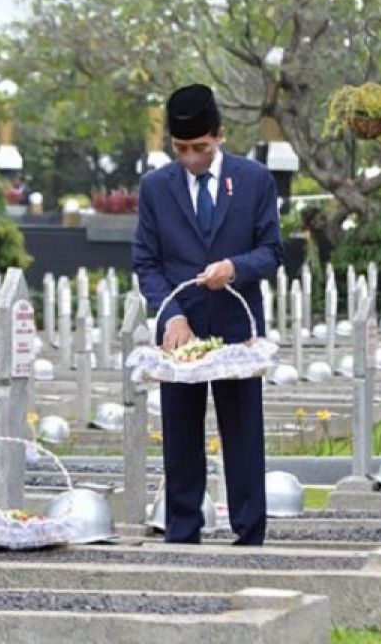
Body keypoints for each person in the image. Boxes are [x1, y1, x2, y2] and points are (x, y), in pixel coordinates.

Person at [132, 83, 282, 545]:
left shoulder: (255, 180)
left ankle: (249, 530)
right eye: (181, 149)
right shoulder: (156, 187)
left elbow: (272, 252)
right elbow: (147, 263)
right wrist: (171, 315)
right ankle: (181, 530)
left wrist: (236, 267)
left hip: (236, 330)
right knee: (180, 434)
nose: (192, 158)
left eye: (200, 148)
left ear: (219, 136)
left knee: (242, 433)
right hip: (182, 333)